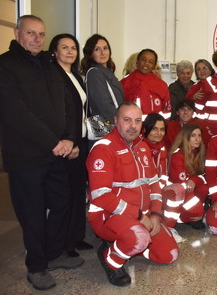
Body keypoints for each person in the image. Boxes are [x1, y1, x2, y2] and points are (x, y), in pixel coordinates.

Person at [0, 15, 83, 291]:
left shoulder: (50, 64)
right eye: (31, 33)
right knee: (33, 214)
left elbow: (69, 105)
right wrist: (53, 142)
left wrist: (70, 139)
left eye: (41, 34)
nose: (36, 38)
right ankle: (36, 267)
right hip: (26, 157)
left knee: (62, 203)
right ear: (17, 33)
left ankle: (53, 252)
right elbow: (16, 113)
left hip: (57, 153)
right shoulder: (6, 65)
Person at [87, 102, 178, 287]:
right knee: (138, 237)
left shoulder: (142, 146)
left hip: (142, 215)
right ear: (115, 121)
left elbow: (154, 184)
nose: (133, 126)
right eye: (127, 120)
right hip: (109, 216)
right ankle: (111, 259)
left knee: (169, 255)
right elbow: (101, 196)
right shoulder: (103, 149)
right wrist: (139, 216)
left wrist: (155, 215)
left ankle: (130, 245)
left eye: (137, 121)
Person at [48, 33, 93, 257]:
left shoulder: (75, 74)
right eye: (64, 47)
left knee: (78, 192)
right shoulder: (53, 75)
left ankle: (76, 237)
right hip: (68, 145)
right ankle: (64, 244)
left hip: (81, 141)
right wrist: (72, 141)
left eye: (73, 48)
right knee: (65, 196)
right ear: (54, 51)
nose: (69, 52)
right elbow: (61, 114)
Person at [165, 123, 208, 229]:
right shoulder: (177, 155)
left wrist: (194, 180)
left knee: (204, 189)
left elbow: (204, 175)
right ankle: (176, 221)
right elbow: (182, 184)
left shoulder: (198, 153)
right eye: (193, 135)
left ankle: (191, 216)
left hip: (189, 187)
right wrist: (194, 180)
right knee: (198, 211)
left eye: (199, 135)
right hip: (175, 193)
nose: (198, 139)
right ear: (185, 137)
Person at [80, 34, 124, 126]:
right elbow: (104, 106)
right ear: (90, 53)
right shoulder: (94, 73)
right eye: (97, 49)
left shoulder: (107, 72)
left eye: (105, 48)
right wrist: (121, 123)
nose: (103, 53)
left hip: (114, 124)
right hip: (108, 128)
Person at [121, 48, 171, 119]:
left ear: (154, 66)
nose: (146, 63)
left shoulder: (161, 85)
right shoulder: (125, 82)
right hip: (131, 127)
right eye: (143, 59)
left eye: (150, 62)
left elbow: (167, 112)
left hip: (155, 128)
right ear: (137, 62)